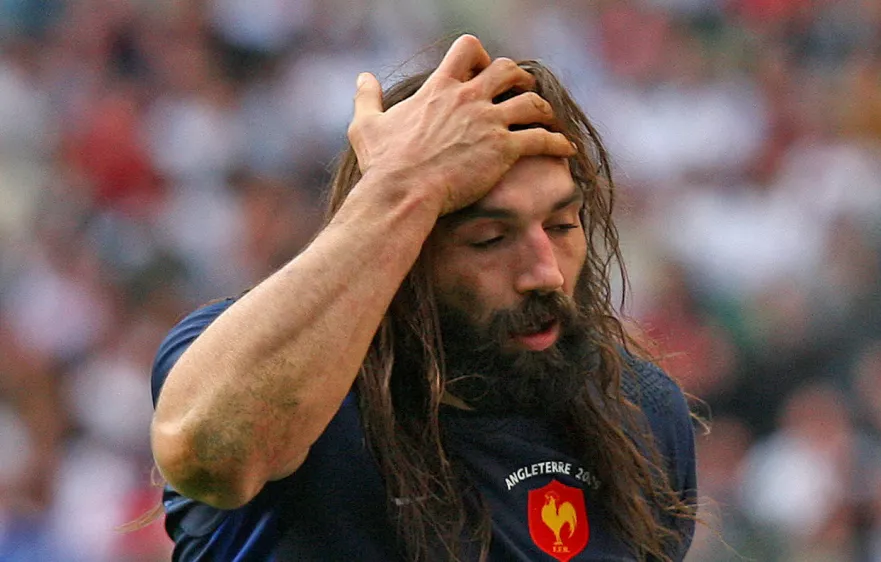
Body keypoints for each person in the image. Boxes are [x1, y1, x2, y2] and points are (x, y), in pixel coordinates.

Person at [149, 35, 697, 561]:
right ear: (402, 249)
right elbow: (209, 456)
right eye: (490, 239)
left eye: (561, 225)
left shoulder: (641, 414)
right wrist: (402, 184)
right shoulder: (261, 368)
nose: (544, 273)